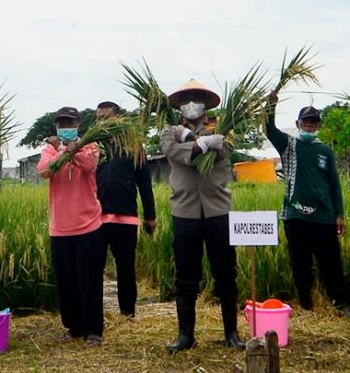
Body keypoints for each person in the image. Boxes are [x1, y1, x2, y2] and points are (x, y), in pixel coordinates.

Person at [160, 79, 245, 351]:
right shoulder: (169, 131)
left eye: (196, 98)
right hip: (184, 212)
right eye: (186, 99)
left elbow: (226, 150)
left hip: (218, 211)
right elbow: (172, 152)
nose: (192, 103)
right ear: (180, 106)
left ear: (206, 104)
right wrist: (203, 144)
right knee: (186, 275)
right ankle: (186, 336)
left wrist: (211, 141)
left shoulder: (223, 128)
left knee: (225, 274)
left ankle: (231, 334)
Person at [266, 92, 350, 317]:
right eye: (306, 122)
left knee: (331, 264)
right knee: (300, 264)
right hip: (297, 215)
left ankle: (340, 303)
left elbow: (334, 184)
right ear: (298, 123)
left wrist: (339, 214)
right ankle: (306, 305)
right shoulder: (289, 145)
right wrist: (270, 106)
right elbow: (269, 130)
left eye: (314, 122)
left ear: (319, 125)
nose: (309, 126)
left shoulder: (326, 151)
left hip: (324, 216)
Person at [37, 106, 104, 347]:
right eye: (61, 124)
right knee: (67, 282)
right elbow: (44, 170)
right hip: (60, 227)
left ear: (78, 125)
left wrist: (74, 151)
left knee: (90, 280)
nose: (65, 128)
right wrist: (60, 151)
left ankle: (93, 330)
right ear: (56, 127)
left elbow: (88, 165)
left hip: (88, 225)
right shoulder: (49, 149)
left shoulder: (90, 145)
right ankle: (73, 327)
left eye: (70, 123)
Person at [95, 101, 156, 318]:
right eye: (99, 118)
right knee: (94, 269)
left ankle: (127, 314)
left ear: (118, 119)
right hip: (96, 218)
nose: (102, 121)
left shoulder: (133, 146)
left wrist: (150, 215)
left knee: (126, 269)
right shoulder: (94, 146)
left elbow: (145, 183)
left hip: (126, 217)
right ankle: (95, 315)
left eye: (107, 117)